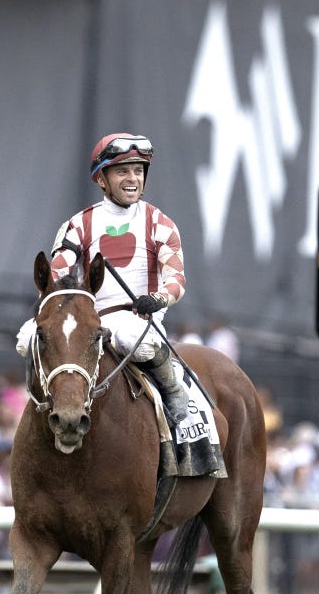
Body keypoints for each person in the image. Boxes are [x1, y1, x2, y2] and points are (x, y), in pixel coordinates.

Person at [15, 132, 189, 423]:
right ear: (101, 179)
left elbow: (177, 280)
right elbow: (58, 271)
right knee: (25, 338)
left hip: (139, 318)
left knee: (132, 338)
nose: (132, 178)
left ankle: (173, 390)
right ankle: (44, 402)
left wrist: (157, 299)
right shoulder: (78, 224)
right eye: (122, 171)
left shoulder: (161, 223)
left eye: (138, 171)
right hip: (90, 318)